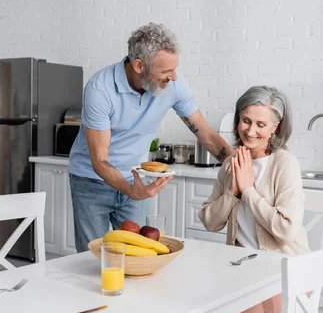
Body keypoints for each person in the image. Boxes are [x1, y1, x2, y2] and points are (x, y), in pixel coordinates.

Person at [68, 23, 233, 253]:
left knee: (140, 255)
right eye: (166, 71)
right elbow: (99, 159)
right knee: (93, 258)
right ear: (139, 65)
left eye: (175, 69)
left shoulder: (174, 84)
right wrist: (131, 189)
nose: (174, 77)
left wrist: (240, 167)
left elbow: (205, 134)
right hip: (91, 181)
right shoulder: (100, 89)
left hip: (136, 180)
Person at [188, 86, 310, 313]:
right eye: (246, 120)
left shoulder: (285, 164)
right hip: (241, 271)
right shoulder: (232, 163)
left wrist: (249, 190)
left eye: (260, 124)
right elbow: (209, 221)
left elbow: (287, 231)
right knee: (194, 311)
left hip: (286, 274)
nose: (251, 130)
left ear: (275, 127)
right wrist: (232, 193)